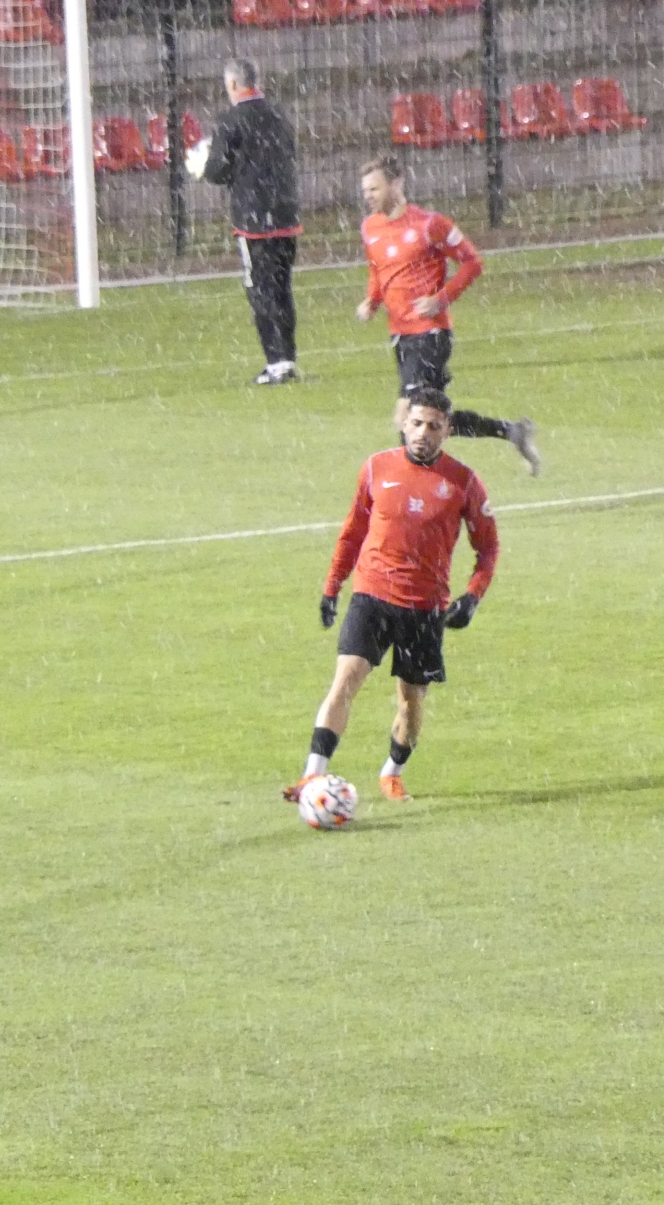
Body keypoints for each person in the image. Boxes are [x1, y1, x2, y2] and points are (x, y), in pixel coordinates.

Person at [285, 385, 499, 804]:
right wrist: (332, 587)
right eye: (417, 423)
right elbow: (353, 532)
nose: (423, 433)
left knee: (410, 704)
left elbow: (488, 548)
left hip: (424, 608)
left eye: (434, 426)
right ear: (404, 423)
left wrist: (473, 597)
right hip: (372, 596)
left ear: (448, 430)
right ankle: (312, 775)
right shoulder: (376, 468)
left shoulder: (463, 482)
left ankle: (392, 772)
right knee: (345, 681)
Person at [356, 156, 540, 475]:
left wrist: (441, 299)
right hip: (400, 335)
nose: (368, 196)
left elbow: (472, 262)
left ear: (396, 184)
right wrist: (371, 301)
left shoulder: (430, 224)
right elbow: (378, 268)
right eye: (365, 190)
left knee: (408, 415)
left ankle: (414, 485)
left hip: (430, 334)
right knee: (434, 418)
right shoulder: (370, 227)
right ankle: (511, 432)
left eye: (374, 188)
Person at [186, 58, 302, 386]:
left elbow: (217, 170)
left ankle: (276, 362)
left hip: (254, 219)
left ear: (234, 84)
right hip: (286, 213)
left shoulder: (231, 120)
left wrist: (203, 167)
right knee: (282, 287)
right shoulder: (279, 114)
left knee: (260, 290)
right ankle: (287, 358)